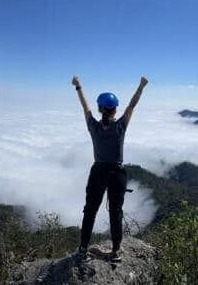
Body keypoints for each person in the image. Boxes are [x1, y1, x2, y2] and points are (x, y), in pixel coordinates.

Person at [71, 75, 148, 263]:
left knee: (90, 211)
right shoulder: (121, 126)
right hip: (117, 174)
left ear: (100, 109)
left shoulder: (93, 127)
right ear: (114, 111)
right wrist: (141, 86)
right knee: (116, 212)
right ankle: (116, 251)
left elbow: (85, 107)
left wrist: (78, 86)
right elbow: (132, 105)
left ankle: (83, 249)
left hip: (98, 172)